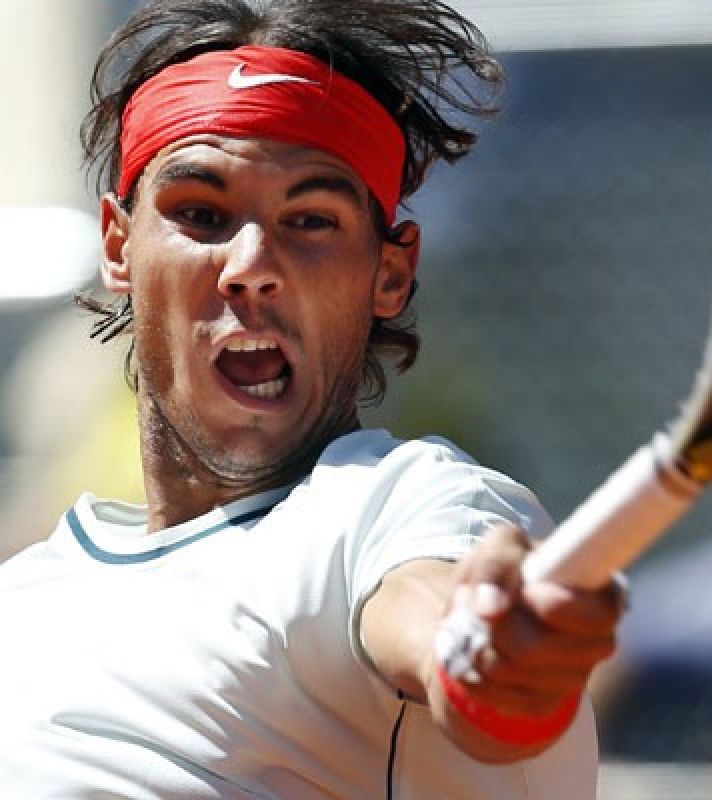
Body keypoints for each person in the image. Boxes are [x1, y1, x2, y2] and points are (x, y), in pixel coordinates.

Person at [0, 0, 623, 796]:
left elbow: (444, 631)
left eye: (310, 220)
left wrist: (488, 656)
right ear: (119, 247)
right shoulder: (25, 598)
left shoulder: (404, 509)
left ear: (390, 273)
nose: (252, 261)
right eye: (200, 213)